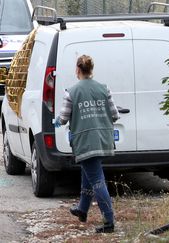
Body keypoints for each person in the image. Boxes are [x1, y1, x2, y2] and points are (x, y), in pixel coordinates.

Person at [55, 55, 120, 233]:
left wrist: (57, 121)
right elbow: (114, 115)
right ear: (91, 69)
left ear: (77, 69)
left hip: (84, 141)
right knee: (88, 174)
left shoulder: (72, 92)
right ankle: (82, 209)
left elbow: (64, 117)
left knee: (97, 180)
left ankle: (109, 221)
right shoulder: (104, 89)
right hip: (102, 139)